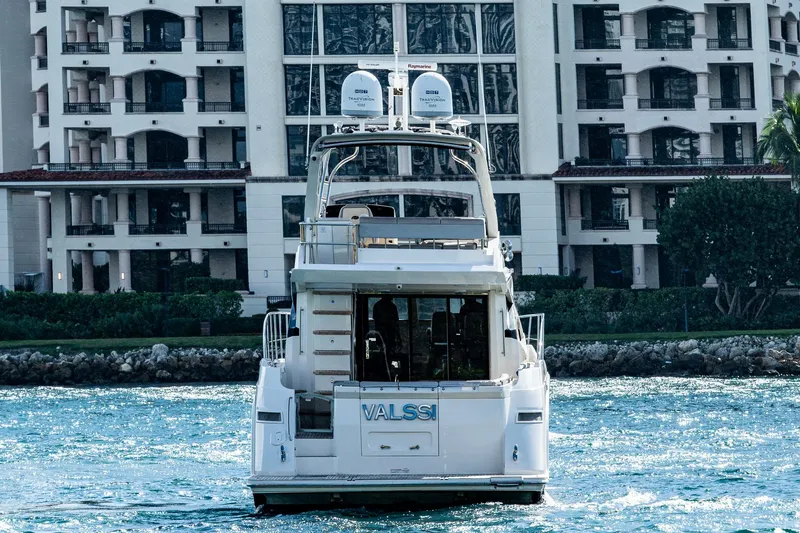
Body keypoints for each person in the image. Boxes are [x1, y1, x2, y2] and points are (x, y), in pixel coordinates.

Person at [372, 296, 401, 375]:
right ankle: (384, 370)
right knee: (387, 352)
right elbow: (396, 323)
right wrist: (398, 336)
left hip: (383, 333)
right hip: (386, 333)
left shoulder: (378, 305)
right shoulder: (391, 306)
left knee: (384, 352)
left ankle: (384, 370)